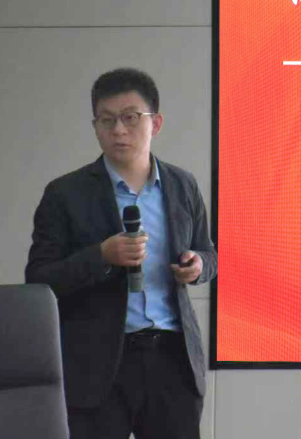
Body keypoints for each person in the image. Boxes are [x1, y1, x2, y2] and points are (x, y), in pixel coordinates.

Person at [26, 68, 217, 439]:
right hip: (96, 367)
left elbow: (209, 253)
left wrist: (197, 266)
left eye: (130, 118)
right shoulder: (65, 194)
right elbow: (39, 279)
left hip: (172, 361)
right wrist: (101, 256)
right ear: (95, 127)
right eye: (107, 120)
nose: (118, 130)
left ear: (155, 123)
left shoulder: (183, 185)